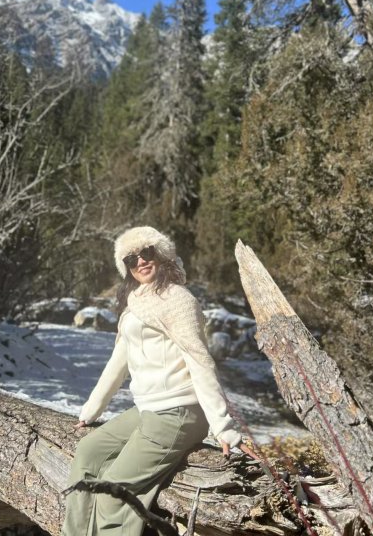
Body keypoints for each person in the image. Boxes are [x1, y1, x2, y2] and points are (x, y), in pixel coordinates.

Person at [61, 226, 256, 536]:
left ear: (162, 254)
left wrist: (223, 427)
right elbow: (119, 360)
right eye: (131, 259)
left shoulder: (179, 300)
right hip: (148, 410)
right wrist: (92, 410)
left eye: (146, 252)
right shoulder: (136, 301)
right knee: (87, 454)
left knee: (113, 491)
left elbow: (200, 361)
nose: (140, 261)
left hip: (179, 412)